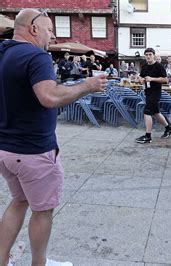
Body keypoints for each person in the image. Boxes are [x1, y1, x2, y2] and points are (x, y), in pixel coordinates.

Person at [0, 9, 107, 266]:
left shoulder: (4, 52)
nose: (52, 36)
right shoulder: (36, 55)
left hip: (6, 149)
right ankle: (40, 262)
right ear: (34, 29)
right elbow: (50, 97)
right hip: (33, 151)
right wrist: (87, 86)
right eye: (49, 30)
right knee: (42, 210)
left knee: (19, 201)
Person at [135, 47, 171, 143]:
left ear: (154, 56)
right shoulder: (144, 66)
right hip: (147, 92)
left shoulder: (159, 66)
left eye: (150, 55)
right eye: (146, 55)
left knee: (147, 112)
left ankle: (148, 136)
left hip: (155, 93)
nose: (148, 56)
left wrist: (152, 79)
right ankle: (169, 128)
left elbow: (165, 80)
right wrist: (140, 79)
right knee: (156, 112)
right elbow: (141, 76)